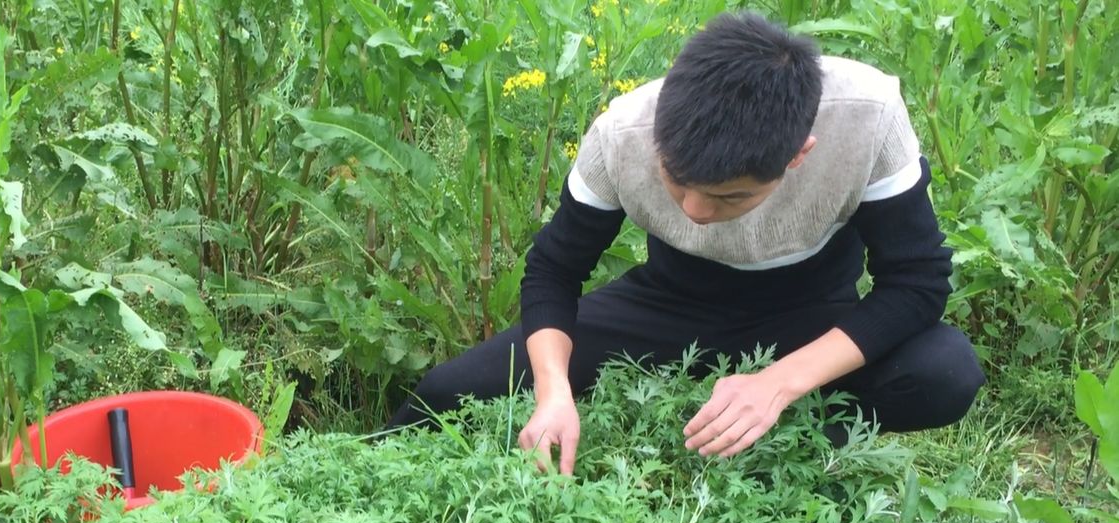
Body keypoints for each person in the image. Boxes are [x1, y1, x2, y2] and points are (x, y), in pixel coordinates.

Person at [386, 11, 984, 475]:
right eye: (678, 183)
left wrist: (780, 382)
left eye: (729, 199)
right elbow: (554, 270)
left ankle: (805, 444)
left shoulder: (866, 117)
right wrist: (553, 391)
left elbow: (916, 282)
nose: (696, 215)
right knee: (445, 392)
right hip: (666, 307)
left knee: (944, 372)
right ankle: (366, 475)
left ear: (800, 153)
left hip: (808, 314)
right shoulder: (624, 131)